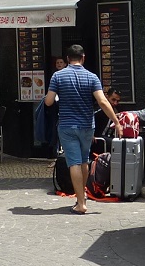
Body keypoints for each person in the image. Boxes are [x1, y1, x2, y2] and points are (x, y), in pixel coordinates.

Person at [44, 44, 120, 214]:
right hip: (87, 126)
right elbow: (102, 101)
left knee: (74, 162)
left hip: (67, 126)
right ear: (83, 58)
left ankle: (80, 203)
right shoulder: (92, 77)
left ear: (68, 59)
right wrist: (117, 121)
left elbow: (49, 102)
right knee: (84, 160)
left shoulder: (58, 76)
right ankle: (83, 196)